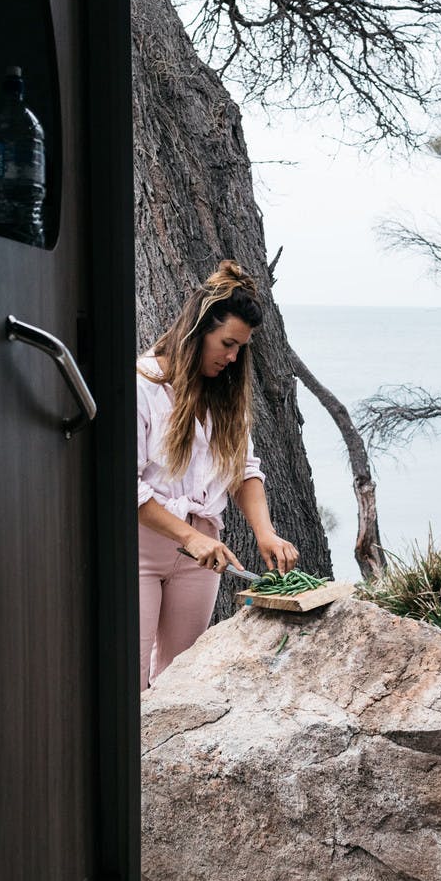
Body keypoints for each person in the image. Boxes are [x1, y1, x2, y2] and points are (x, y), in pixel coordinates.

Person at [137, 259, 298, 689]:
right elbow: (123, 486)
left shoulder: (226, 396)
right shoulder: (141, 385)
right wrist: (187, 537)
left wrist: (265, 533)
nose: (232, 356)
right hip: (140, 548)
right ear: (197, 331)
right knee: (127, 682)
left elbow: (243, 470)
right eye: (227, 342)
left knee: (181, 680)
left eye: (240, 348)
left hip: (202, 552)